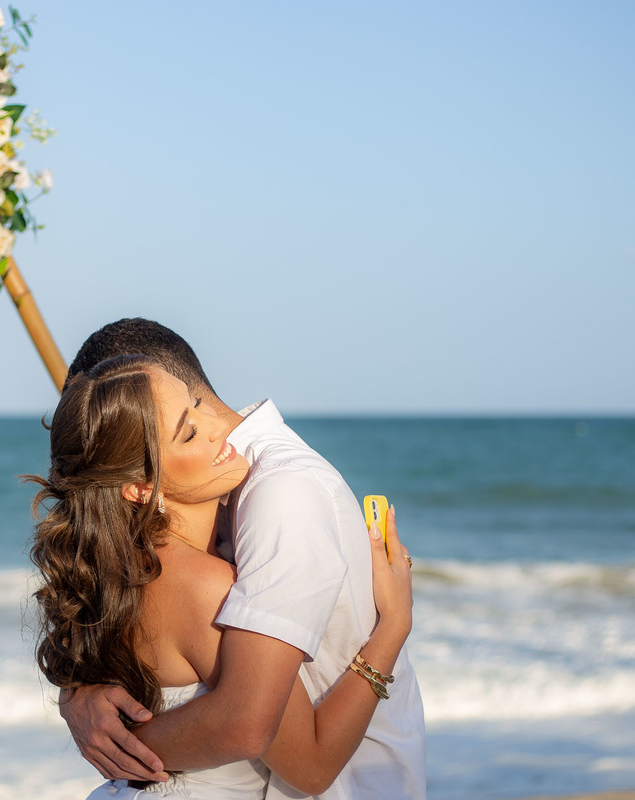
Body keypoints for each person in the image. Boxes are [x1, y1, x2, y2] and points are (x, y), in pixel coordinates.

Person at [57, 319, 427, 799]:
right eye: (188, 432)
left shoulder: (128, 560)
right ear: (139, 486)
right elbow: (279, 745)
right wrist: (395, 625)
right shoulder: (210, 572)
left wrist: (102, 729)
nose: (218, 427)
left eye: (197, 406)